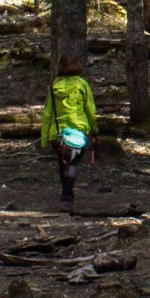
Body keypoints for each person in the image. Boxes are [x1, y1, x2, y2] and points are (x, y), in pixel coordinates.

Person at [39, 53, 98, 213]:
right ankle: (67, 199)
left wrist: (44, 140)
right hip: (79, 133)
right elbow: (90, 110)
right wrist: (95, 129)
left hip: (58, 135)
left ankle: (66, 196)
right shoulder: (82, 85)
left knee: (63, 164)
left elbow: (47, 114)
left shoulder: (54, 86)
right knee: (72, 165)